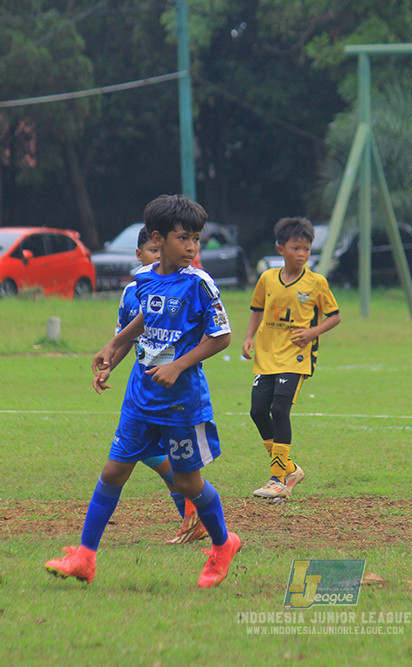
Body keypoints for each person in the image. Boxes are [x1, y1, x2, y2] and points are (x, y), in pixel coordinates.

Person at [44, 194, 240, 588]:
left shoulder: (199, 284)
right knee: (113, 471)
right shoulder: (144, 279)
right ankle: (85, 558)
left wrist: (178, 365)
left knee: (187, 484)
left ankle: (223, 544)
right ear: (158, 237)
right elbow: (142, 323)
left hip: (181, 403)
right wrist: (111, 351)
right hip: (139, 398)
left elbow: (222, 337)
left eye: (196, 239)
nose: (191, 247)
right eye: (183, 238)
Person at [97, 226, 207, 546]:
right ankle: (192, 519)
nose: (158, 257)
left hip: (173, 387)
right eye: (152, 252)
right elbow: (126, 337)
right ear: (139, 255)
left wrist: (178, 366)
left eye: (161, 252)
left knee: (161, 460)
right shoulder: (133, 290)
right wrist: (108, 367)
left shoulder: (185, 285)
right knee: (144, 453)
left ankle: (198, 519)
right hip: (142, 386)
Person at [241, 217, 341, 501]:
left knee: (280, 410)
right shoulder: (267, 279)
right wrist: (248, 337)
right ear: (280, 248)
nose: (302, 254)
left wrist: (312, 332)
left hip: (296, 357)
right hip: (267, 355)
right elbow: (257, 309)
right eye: (296, 248)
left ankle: (278, 479)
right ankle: (291, 469)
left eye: (307, 249)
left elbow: (334, 317)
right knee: (258, 411)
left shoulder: (316, 283)